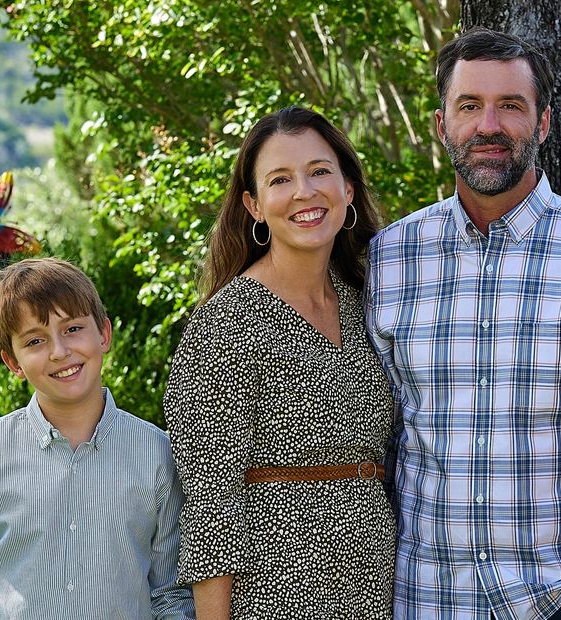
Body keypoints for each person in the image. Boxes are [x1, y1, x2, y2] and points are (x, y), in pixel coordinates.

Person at [366, 28, 561, 620]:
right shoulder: (390, 259)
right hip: (425, 599)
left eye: (511, 106)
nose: (489, 126)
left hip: (556, 599)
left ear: (544, 123)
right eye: (470, 106)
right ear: (440, 123)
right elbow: (383, 432)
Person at [163, 106, 394, 619]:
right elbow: (209, 508)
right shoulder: (225, 324)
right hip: (278, 591)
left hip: (377, 587)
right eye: (280, 179)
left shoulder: (368, 303)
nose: (304, 192)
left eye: (319, 172)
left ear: (348, 188)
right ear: (255, 205)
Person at [0, 257, 193, 619]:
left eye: (73, 329)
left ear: (104, 334)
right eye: (35, 341)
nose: (60, 352)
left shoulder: (157, 453)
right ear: (13, 362)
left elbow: (171, 595)